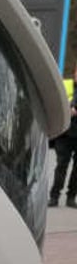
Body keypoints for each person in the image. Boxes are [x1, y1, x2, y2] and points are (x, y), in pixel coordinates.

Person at [49, 76, 77, 207]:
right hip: (65, 134)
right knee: (61, 166)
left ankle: (71, 197)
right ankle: (54, 196)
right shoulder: (65, 85)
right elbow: (55, 102)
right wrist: (68, 110)